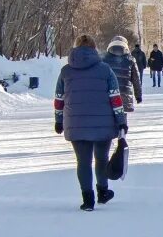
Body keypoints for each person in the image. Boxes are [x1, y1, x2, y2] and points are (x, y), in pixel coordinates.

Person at [53, 34, 127, 211]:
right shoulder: (105, 70)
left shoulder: (66, 71)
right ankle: (103, 192)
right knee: (101, 159)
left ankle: (87, 200)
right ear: (94, 49)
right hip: (104, 124)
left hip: (76, 123)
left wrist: (58, 120)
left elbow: (59, 99)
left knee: (83, 162)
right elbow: (115, 99)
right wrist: (121, 121)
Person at [101, 36, 142, 111]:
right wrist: (138, 96)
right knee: (123, 119)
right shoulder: (130, 60)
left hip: (110, 95)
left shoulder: (104, 60)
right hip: (125, 95)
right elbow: (136, 80)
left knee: (110, 119)